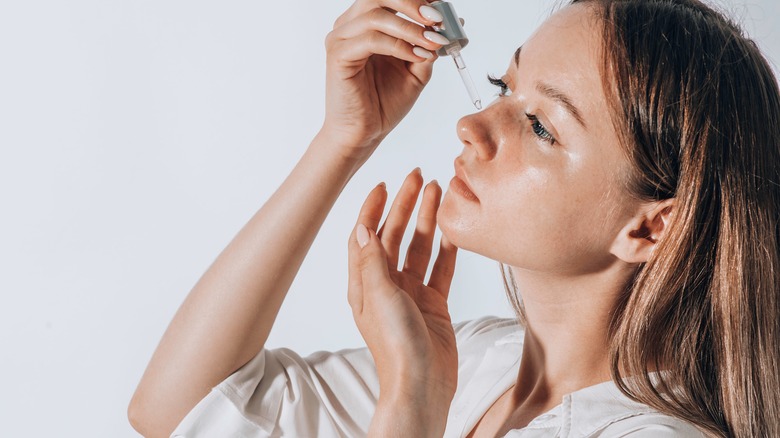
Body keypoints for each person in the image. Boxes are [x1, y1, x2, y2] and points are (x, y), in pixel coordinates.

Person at [128, 0, 780, 436]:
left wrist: (411, 398)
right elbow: (179, 410)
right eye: (504, 86)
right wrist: (345, 138)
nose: (471, 125)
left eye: (539, 125)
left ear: (650, 227)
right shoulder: (481, 359)